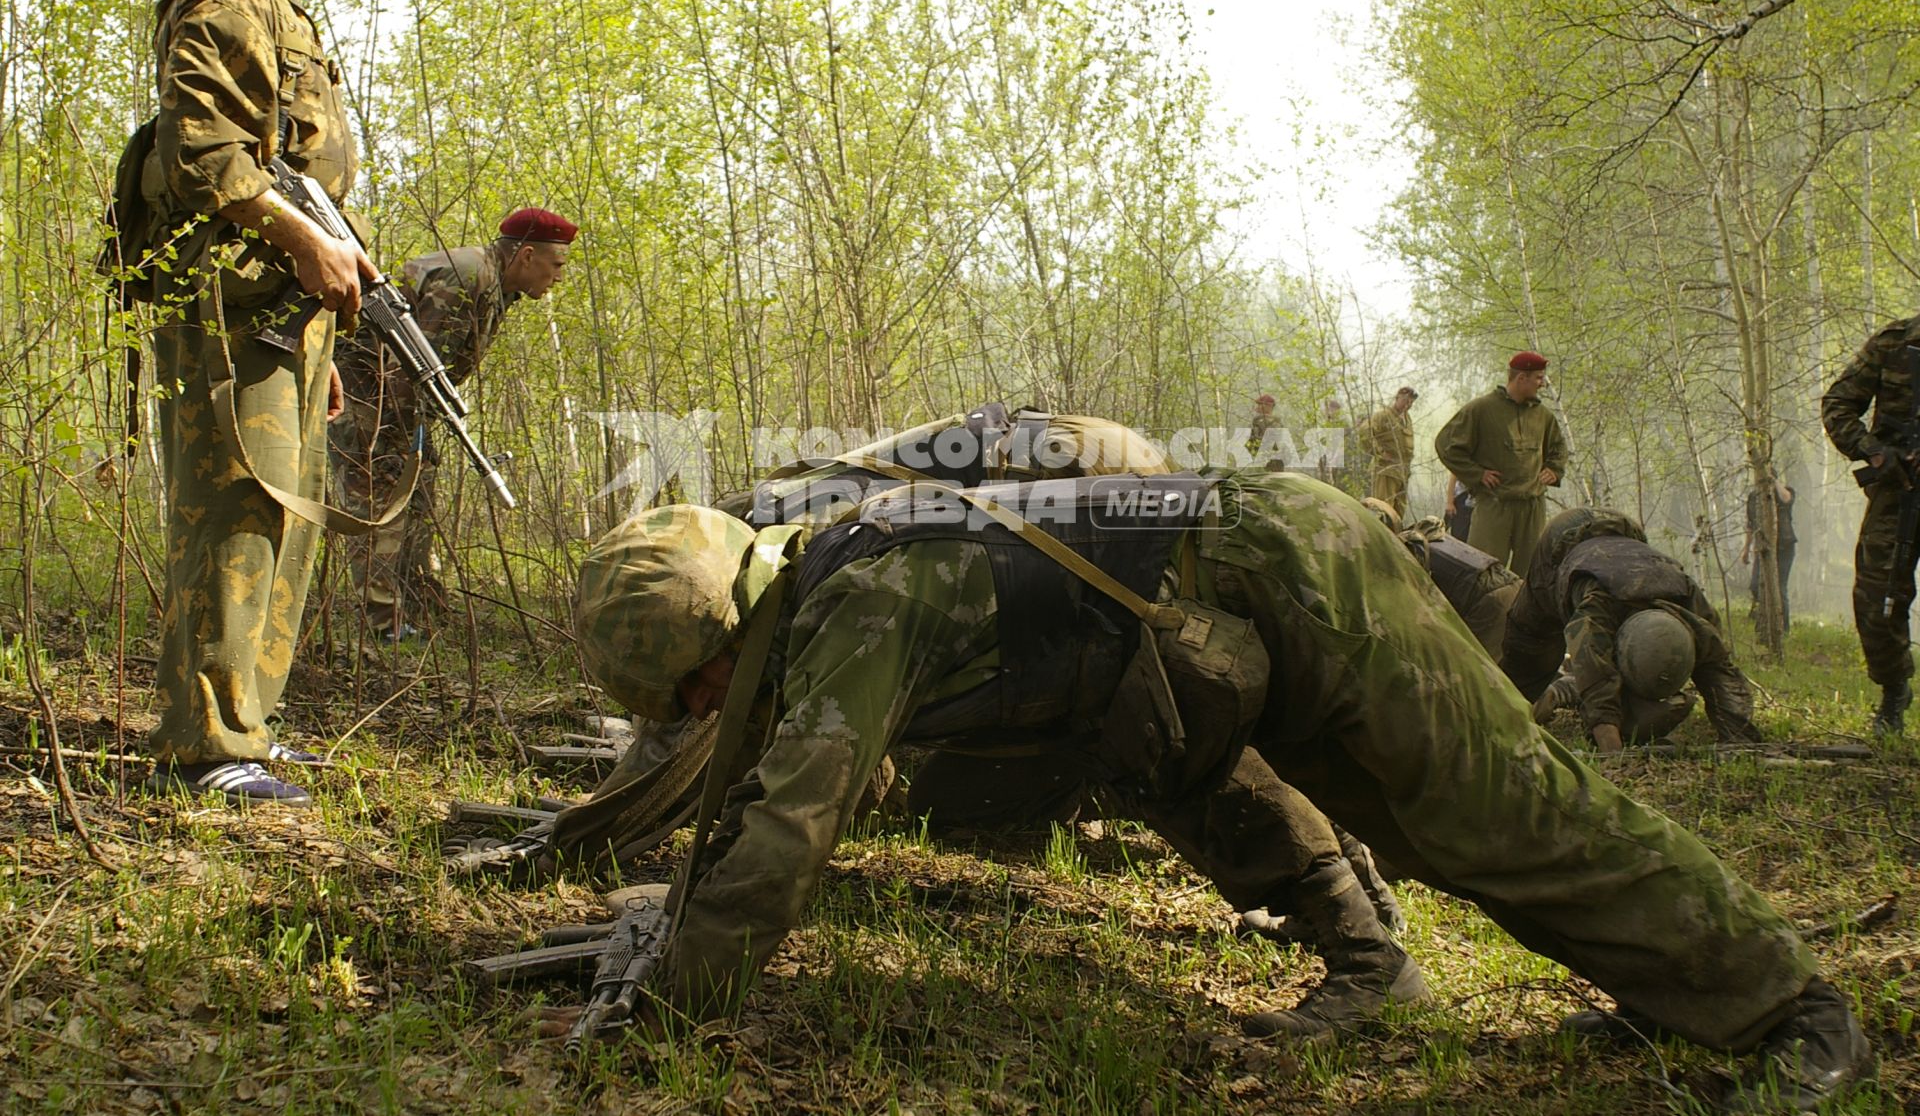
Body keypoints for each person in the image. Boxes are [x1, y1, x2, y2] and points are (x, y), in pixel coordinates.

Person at [567, 471, 1871, 1108]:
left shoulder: (857, 598)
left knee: (1502, 810)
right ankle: (1627, 995)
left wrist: (676, 1005)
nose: (694, 720)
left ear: (715, 635)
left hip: (1288, 566)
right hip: (1201, 641)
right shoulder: (828, 581)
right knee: (1393, 826)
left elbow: (795, 814)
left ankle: (1788, 1007)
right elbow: (762, 794)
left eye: (689, 694)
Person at [139, 0, 371, 806]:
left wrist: (320, 327)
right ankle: (209, 744)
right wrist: (308, 250)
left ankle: (247, 725)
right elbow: (199, 150)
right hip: (227, 312)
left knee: (283, 518)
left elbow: (298, 170)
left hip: (275, 317)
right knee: (235, 511)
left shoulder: (283, 18)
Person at [327, 208, 576, 638]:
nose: (558, 278)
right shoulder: (467, 278)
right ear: (528, 255)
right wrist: (399, 439)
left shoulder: (490, 282)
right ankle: (386, 624)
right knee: (382, 508)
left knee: (417, 503)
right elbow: (408, 368)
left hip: (397, 410)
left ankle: (421, 608)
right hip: (371, 407)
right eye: (557, 266)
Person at [1502, 508, 1764, 753]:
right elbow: (1597, 684)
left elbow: (1719, 668)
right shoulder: (1596, 611)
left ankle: (1563, 689)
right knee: (1528, 654)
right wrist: (1613, 751)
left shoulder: (1688, 603)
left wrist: (1739, 737)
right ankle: (1525, 701)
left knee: (1642, 720)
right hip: (1560, 544)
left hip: (1625, 531)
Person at [1821, 325, 1919, 735]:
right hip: (1899, 492)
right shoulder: (1893, 343)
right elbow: (1838, 404)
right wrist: (1875, 452)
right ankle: (1894, 693)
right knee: (1876, 595)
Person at [1434, 351, 1568, 576]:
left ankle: (1525, 612)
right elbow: (1446, 444)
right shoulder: (1481, 409)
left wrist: (1554, 469)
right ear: (1521, 378)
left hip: (1532, 505)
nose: (1542, 384)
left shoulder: (1543, 416)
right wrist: (1477, 475)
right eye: (1538, 378)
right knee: (1482, 571)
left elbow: (1558, 448)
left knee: (1533, 573)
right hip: (1494, 504)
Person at [1360, 499, 1518, 656]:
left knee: (1472, 674)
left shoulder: (1405, 553)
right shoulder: (1427, 534)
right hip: (1512, 586)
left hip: (1489, 602)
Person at [1740, 477, 1796, 632]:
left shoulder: (1785, 492)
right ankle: (1763, 621)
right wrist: (1746, 549)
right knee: (1755, 585)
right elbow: (1750, 524)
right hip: (1763, 547)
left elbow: (1786, 499)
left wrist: (1774, 482)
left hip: (1785, 546)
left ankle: (1783, 628)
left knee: (1780, 588)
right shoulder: (1753, 498)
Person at [1357, 386, 1418, 517]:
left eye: (1410, 402)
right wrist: (1379, 452)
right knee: (1383, 508)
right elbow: (1364, 432)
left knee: (1399, 509)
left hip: (1403, 471)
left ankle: (1396, 535)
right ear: (1397, 398)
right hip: (1386, 470)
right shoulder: (1383, 415)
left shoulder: (1407, 418)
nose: (1407, 405)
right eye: (1405, 400)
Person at [1442, 476, 1475, 541]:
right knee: (1459, 537)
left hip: (1481, 502)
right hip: (1462, 499)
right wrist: (1450, 502)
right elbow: (1453, 475)